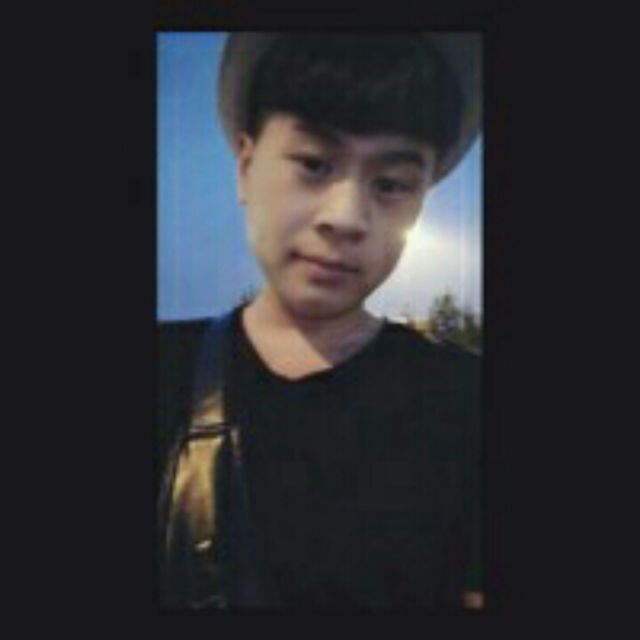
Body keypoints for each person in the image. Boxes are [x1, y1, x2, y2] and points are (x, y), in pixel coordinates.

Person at [157, 32, 482, 610]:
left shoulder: (466, 397)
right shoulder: (162, 370)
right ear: (246, 168)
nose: (347, 218)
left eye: (391, 185)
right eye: (313, 164)